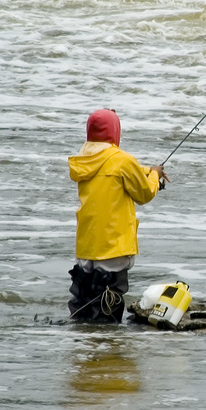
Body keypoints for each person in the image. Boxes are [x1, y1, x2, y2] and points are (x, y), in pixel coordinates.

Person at [67, 108, 169, 322]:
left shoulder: (83, 159)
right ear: (115, 131)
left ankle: (86, 341)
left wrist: (148, 170)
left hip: (87, 243)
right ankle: (107, 346)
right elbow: (144, 194)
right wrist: (155, 177)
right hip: (113, 243)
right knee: (109, 298)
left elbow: (115, 168)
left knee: (85, 297)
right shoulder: (123, 160)